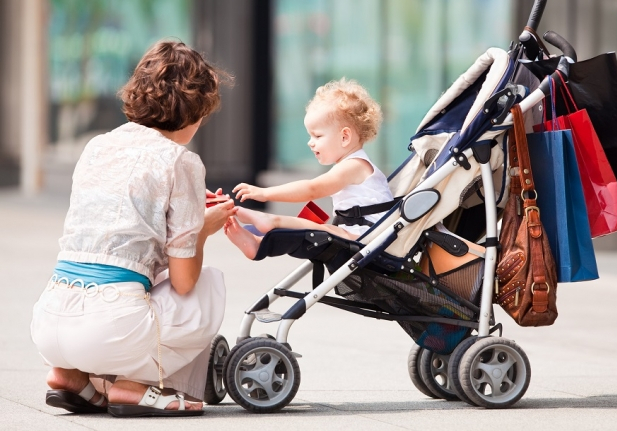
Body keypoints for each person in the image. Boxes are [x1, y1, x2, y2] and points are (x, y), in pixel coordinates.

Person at [30, 40, 237, 418]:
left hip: (48, 319)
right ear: (197, 111)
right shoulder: (182, 161)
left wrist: (183, 216)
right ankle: (136, 387)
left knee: (131, 286)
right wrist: (202, 228)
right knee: (207, 285)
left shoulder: (97, 146)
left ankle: (69, 375)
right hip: (111, 329)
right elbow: (184, 281)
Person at [225, 78, 393, 259]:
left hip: (367, 240)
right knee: (317, 228)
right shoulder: (352, 164)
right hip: (361, 236)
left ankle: (271, 222)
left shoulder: (354, 166)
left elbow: (312, 189)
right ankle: (260, 239)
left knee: (318, 229)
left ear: (345, 137)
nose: (310, 143)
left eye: (317, 135)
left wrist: (265, 193)